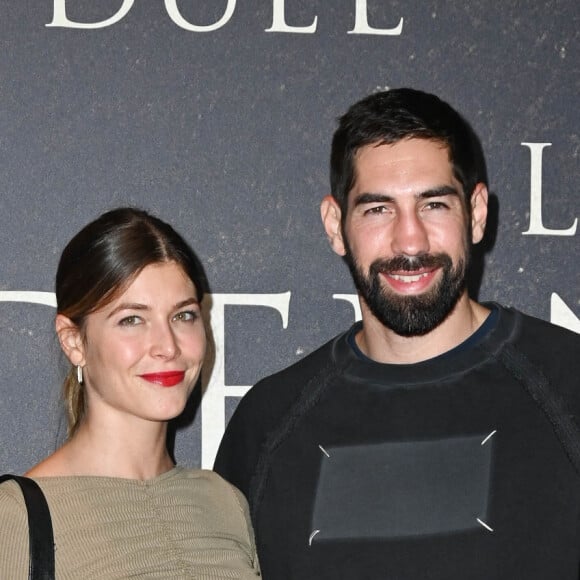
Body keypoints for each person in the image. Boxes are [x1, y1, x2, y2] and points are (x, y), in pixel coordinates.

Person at [214, 88, 580, 579]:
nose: (410, 240)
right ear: (335, 225)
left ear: (475, 213)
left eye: (433, 205)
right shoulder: (266, 425)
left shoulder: (569, 385)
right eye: (377, 209)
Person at [0, 207, 261, 578]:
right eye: (132, 319)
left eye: (183, 315)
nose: (167, 346)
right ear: (74, 341)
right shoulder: (13, 521)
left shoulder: (225, 504)